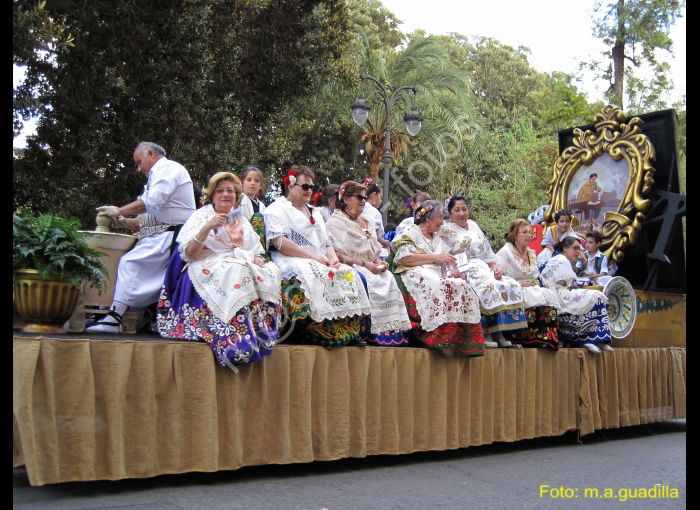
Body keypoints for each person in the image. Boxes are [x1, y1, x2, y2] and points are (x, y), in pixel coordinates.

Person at [157, 173, 282, 368]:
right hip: (205, 262)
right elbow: (190, 252)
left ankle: (259, 334)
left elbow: (255, 249)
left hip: (236, 262)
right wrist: (208, 227)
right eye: (220, 190)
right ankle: (233, 338)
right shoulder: (202, 215)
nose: (225, 194)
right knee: (236, 271)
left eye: (230, 191)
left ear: (236, 195)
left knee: (272, 270)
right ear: (212, 195)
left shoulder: (240, 219)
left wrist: (257, 258)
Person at [87, 141, 196, 334]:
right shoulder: (156, 176)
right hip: (160, 234)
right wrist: (122, 221)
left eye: (139, 162)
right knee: (128, 260)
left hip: (172, 236)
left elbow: (152, 202)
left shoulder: (168, 168)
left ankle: (114, 317)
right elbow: (145, 219)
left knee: (130, 263)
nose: (138, 168)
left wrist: (118, 210)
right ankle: (125, 315)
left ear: (151, 153)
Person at [264, 166, 371, 348]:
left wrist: (332, 258)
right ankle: (313, 330)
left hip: (318, 258)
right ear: (290, 186)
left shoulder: (314, 211)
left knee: (351, 275)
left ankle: (352, 331)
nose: (309, 191)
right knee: (315, 276)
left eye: (311, 187)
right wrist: (312, 257)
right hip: (291, 257)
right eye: (304, 186)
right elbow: (279, 242)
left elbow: (326, 242)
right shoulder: (277, 209)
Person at [391, 200, 484, 357]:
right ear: (428, 219)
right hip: (415, 270)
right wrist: (436, 257)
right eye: (440, 217)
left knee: (462, 285)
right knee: (437, 284)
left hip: (436, 273)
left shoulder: (438, 239)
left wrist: (454, 272)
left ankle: (461, 338)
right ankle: (436, 336)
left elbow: (444, 265)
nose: (442, 222)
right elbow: (404, 259)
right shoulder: (411, 232)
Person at [326, 181, 411, 346]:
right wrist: (364, 265)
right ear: (345, 199)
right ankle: (367, 333)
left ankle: (391, 333)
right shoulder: (334, 222)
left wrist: (379, 262)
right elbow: (336, 253)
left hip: (371, 266)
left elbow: (375, 250)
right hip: (351, 266)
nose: (363, 201)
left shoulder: (366, 221)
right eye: (359, 197)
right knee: (364, 279)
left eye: (364, 197)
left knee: (389, 277)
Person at [440, 196, 527, 348]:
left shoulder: (473, 225)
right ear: (449, 212)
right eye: (457, 210)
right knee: (486, 286)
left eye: (464, 209)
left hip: (483, 266)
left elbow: (487, 250)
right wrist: (454, 271)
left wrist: (495, 267)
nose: (461, 213)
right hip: (463, 268)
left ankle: (498, 331)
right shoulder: (445, 229)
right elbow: (443, 254)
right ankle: (484, 331)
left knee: (508, 283)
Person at [540, 236, 613, 353]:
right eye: (575, 248)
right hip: (556, 296)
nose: (578, 252)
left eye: (579, 249)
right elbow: (565, 282)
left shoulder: (566, 261)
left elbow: (571, 282)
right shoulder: (560, 259)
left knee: (597, 296)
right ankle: (586, 338)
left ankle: (598, 338)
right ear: (565, 248)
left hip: (564, 292)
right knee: (594, 296)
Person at [496, 219, 561, 350]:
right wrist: (518, 283)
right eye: (525, 232)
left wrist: (533, 282)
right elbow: (498, 277)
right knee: (534, 297)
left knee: (547, 294)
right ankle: (523, 337)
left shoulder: (530, 252)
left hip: (530, 287)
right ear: (514, 234)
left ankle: (546, 337)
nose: (529, 236)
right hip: (512, 289)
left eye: (530, 232)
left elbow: (535, 275)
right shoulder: (505, 252)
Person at [238, 165, 267, 250]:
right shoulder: (240, 200)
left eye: (257, 181)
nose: (253, 183)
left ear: (260, 185)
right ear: (242, 183)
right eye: (249, 180)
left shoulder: (261, 205)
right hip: (245, 236)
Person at [362, 179, 390, 252]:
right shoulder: (374, 212)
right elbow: (375, 237)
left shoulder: (358, 208)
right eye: (380, 197)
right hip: (370, 250)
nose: (380, 201)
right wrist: (387, 243)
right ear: (374, 195)